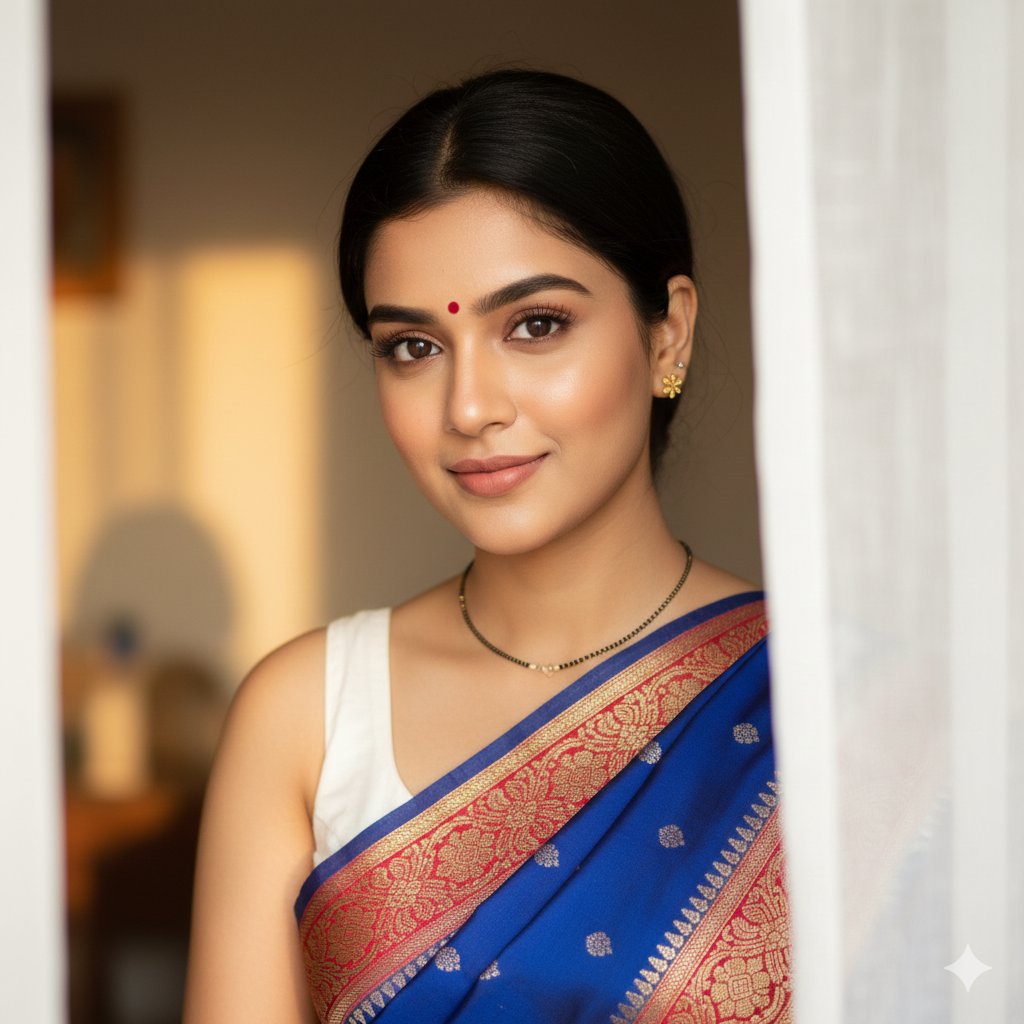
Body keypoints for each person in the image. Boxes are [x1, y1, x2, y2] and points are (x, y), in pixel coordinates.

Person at [184, 69, 790, 1024]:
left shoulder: (817, 701)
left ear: (667, 334)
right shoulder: (307, 717)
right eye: (413, 347)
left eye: (536, 326)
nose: (468, 408)